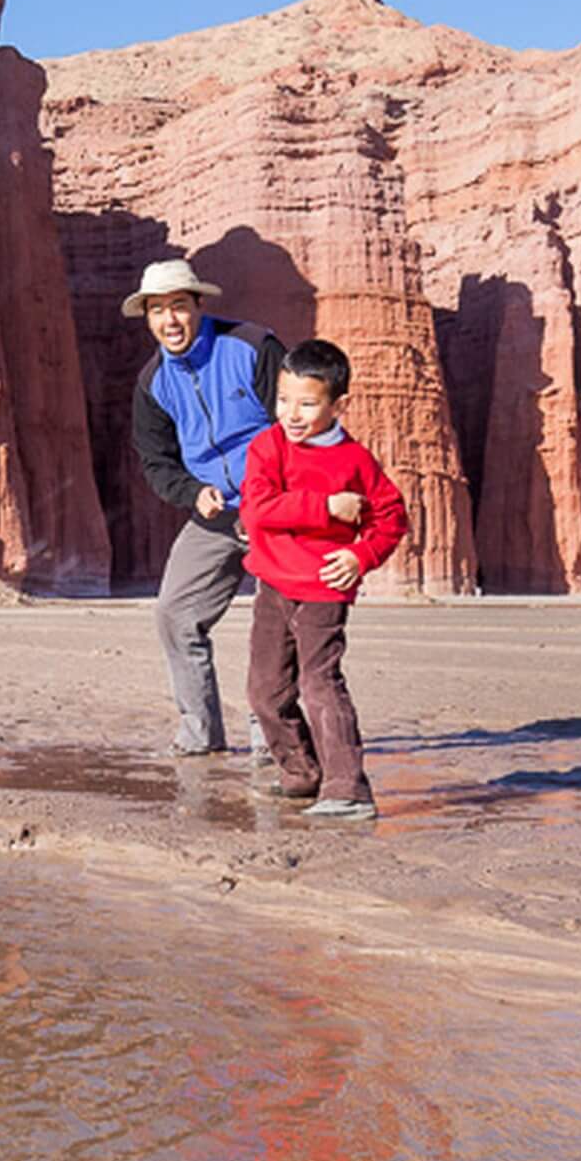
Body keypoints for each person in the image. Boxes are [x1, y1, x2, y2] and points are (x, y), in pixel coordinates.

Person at [238, 337, 407, 820]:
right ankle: (301, 774)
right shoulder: (267, 446)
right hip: (273, 585)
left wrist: (361, 555)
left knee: (320, 685)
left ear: (338, 405)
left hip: (323, 589)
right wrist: (326, 507)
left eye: (307, 404)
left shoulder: (355, 461)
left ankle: (348, 789)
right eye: (283, 399)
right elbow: (256, 511)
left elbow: (391, 518)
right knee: (264, 691)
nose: (291, 413)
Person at [126, 259, 283, 756]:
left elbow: (297, 421)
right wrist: (192, 492)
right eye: (157, 310)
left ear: (199, 305)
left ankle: (273, 739)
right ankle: (201, 735)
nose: (169, 320)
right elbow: (156, 463)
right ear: (147, 318)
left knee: (277, 619)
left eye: (178, 306)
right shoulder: (152, 384)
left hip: (276, 505)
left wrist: (276, 489)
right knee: (175, 614)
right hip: (214, 514)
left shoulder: (253, 345)